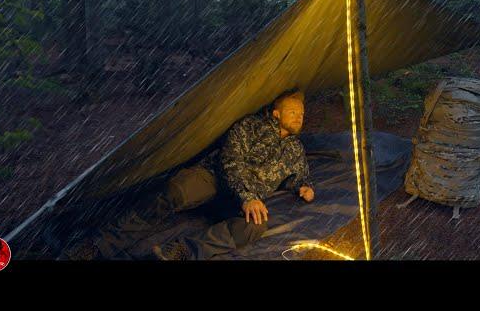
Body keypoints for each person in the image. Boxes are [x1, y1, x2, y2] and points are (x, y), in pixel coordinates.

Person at [66, 88, 314, 261]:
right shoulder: (249, 126)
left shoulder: (295, 149)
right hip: (214, 178)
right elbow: (230, 162)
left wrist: (304, 186)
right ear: (276, 113)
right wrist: (248, 195)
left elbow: (299, 175)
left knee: (254, 227)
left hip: (239, 201)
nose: (299, 117)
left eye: (302, 114)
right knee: (172, 192)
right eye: (293, 111)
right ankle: (98, 246)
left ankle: (181, 251)